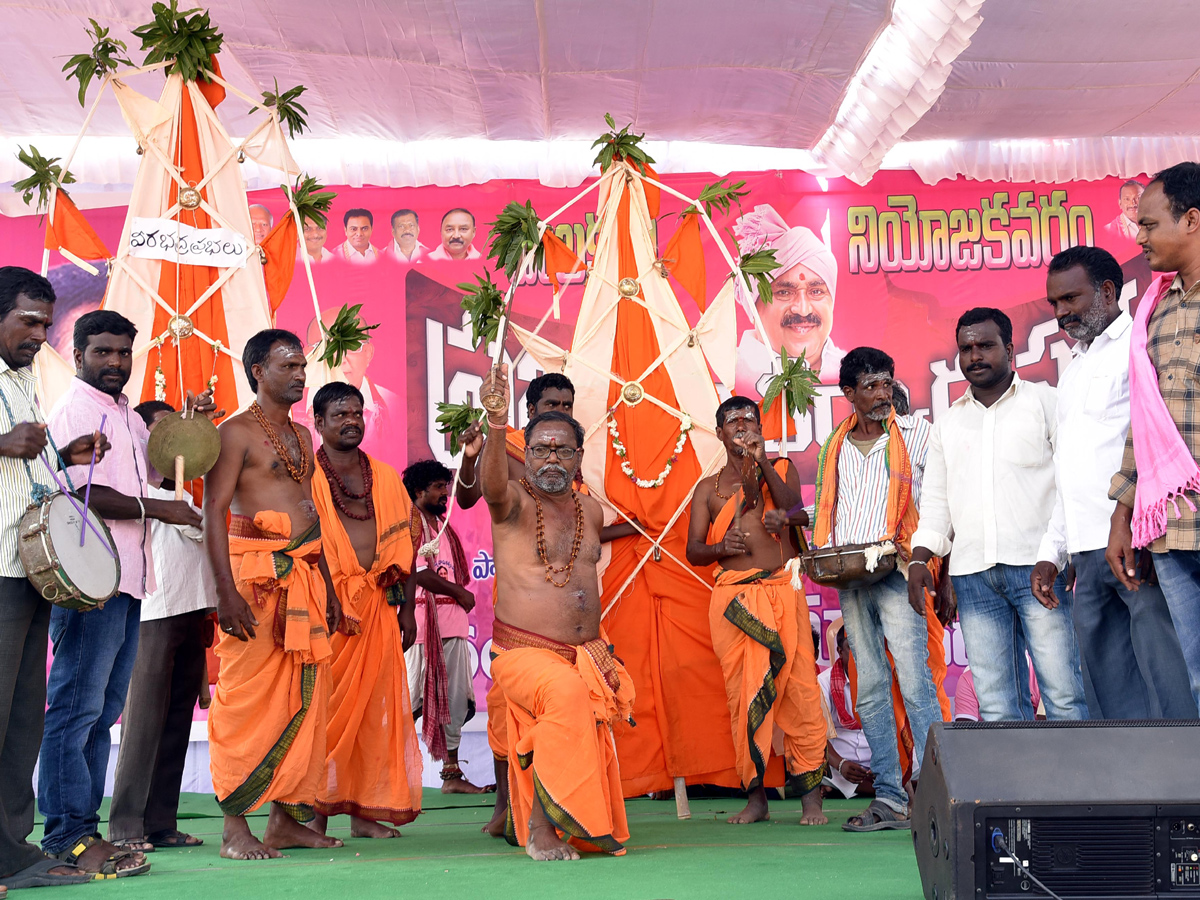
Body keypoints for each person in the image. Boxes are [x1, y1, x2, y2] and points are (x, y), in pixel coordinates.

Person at [40, 310, 216, 877]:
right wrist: (156, 509)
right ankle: (66, 835)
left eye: (123, 353)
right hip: (89, 581)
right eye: (102, 353)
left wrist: (187, 426)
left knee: (102, 712)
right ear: (78, 354)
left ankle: (84, 832)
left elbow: (156, 477)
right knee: (77, 710)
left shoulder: (127, 417)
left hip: (129, 582)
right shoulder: (74, 410)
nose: (114, 363)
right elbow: (82, 492)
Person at [455, 372, 639, 835]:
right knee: (565, 696)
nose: (551, 458)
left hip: (583, 653)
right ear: (527, 455)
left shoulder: (590, 510)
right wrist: (498, 425)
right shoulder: (513, 501)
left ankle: (526, 816)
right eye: (540, 450)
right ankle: (538, 826)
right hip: (524, 653)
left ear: (579, 456)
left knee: (576, 702)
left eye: (562, 450)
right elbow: (490, 487)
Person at [1033, 246, 1195, 719]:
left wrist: (1133, 529)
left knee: (1169, 687)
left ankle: (1184, 788)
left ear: (1107, 291)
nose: (1061, 313)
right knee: (1110, 699)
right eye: (1054, 303)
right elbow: (1071, 469)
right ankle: (1135, 794)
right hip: (1087, 553)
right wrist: (1052, 550)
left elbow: (1154, 445)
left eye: (1070, 299)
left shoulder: (1141, 345)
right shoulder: (1075, 367)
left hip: (1136, 544)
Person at [203, 329, 344, 860]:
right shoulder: (233, 432)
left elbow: (312, 514)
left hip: (305, 571)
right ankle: (234, 828)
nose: (300, 374)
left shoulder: (305, 436)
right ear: (257, 370)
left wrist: (328, 584)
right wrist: (225, 592)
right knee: (244, 698)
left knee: (305, 701)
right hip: (254, 578)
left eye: (302, 365)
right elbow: (213, 510)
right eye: (287, 365)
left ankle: (285, 820)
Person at [909, 308, 1088, 721]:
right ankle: (1014, 789)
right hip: (975, 578)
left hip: (1038, 570)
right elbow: (936, 501)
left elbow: (1071, 486)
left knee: (1062, 696)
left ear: (1009, 349)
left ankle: (1073, 787)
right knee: (996, 706)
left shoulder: (1046, 403)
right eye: (966, 348)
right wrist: (921, 557)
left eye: (985, 345)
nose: (974, 355)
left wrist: (1060, 553)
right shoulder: (948, 424)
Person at [802, 347, 944, 832]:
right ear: (848, 394)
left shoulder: (918, 435)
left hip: (901, 571)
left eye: (887, 383)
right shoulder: (832, 448)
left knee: (915, 680)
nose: (884, 394)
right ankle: (889, 797)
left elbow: (940, 500)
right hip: (851, 578)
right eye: (871, 386)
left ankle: (931, 794)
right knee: (872, 688)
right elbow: (829, 513)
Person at [0, 267, 108, 892]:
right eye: (28, 321)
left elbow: (25, 463)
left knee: (20, 720)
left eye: (45, 323)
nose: (40, 335)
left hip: (28, 571)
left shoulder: (24, 380)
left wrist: (61, 459)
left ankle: (11, 850)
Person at [686, 396, 827, 825]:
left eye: (750, 419)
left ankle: (811, 802)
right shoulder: (707, 489)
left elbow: (796, 511)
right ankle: (756, 798)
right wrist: (718, 547)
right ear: (719, 433)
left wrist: (762, 462)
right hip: (733, 600)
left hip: (782, 592)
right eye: (734, 421)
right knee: (744, 696)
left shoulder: (780, 469)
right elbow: (693, 550)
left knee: (801, 693)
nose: (743, 425)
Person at [309, 383, 424, 837]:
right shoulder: (306, 476)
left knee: (375, 711)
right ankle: (312, 816)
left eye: (357, 412)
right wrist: (330, 601)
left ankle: (363, 813)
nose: (351, 420)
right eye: (339, 414)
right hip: (325, 607)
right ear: (317, 422)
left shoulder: (386, 475)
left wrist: (408, 611)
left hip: (377, 606)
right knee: (324, 713)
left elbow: (407, 548)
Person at [1107, 161, 1200, 709]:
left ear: (1191, 220)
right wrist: (1123, 512)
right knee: (1196, 680)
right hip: (1172, 529)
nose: (1138, 237)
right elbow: (1143, 420)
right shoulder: (1155, 308)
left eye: (1149, 224)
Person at [107, 400, 214, 851]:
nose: (168, 438)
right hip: (152, 612)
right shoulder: (133, 485)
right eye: (159, 429)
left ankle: (160, 824)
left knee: (175, 721)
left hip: (192, 612)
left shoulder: (186, 492)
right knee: (144, 723)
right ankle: (127, 827)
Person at [401, 458, 491, 793]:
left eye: (446, 486)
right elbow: (414, 571)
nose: (445, 494)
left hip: (451, 624)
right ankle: (382, 773)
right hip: (424, 625)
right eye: (439, 487)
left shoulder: (441, 524)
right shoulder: (411, 522)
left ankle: (451, 776)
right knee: (409, 702)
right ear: (419, 490)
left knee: (454, 700)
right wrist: (457, 592)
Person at [731, 204, 845, 397]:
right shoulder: (728, 376)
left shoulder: (854, 376)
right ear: (753, 306)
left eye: (816, 291)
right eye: (784, 292)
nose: (802, 309)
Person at [301, 310, 398, 460]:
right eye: (328, 347)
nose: (340, 359)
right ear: (308, 355)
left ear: (368, 353)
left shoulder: (394, 405)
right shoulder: (289, 410)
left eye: (352, 346)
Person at [819, 623, 874, 800]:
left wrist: (885, 762)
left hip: (879, 760)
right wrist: (840, 763)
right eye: (851, 647)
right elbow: (817, 734)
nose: (858, 653)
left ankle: (873, 784)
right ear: (840, 651)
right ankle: (891, 787)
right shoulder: (823, 683)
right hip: (840, 764)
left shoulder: (882, 679)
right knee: (814, 766)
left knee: (917, 763)